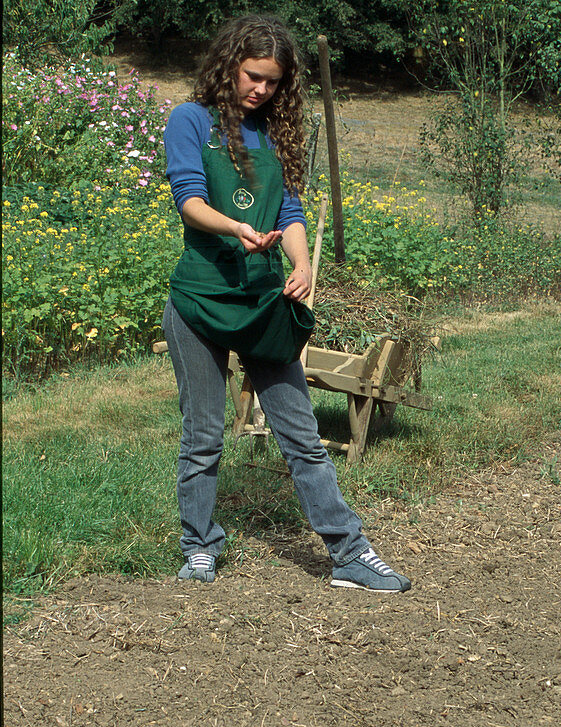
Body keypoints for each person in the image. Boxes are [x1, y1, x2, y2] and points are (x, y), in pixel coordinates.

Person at [162, 13, 410, 591]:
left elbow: (290, 213)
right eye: (252, 76)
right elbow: (188, 201)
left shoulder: (277, 132)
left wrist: (300, 266)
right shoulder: (190, 120)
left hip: (263, 305)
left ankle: (349, 553)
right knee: (203, 434)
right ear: (228, 67)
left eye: (273, 81)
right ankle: (198, 546)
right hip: (199, 301)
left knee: (300, 435)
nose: (261, 90)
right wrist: (236, 229)